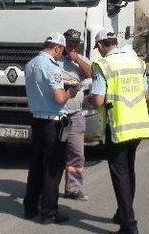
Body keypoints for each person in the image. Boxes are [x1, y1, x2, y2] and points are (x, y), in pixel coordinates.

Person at [90, 30, 149, 234]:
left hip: (117, 126)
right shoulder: (136, 61)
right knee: (129, 172)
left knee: (120, 175)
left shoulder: (103, 65)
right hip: (138, 124)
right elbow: (144, 91)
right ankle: (123, 214)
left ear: (100, 46)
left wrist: (88, 97)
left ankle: (129, 225)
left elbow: (98, 100)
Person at [23, 33, 79, 224]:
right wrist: (70, 92)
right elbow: (58, 99)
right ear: (57, 48)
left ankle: (30, 207)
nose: (60, 56)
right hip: (52, 122)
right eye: (61, 51)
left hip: (37, 120)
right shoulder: (52, 67)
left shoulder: (30, 64)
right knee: (53, 170)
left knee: (36, 166)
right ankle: (49, 213)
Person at [60, 29, 93, 201]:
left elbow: (92, 74)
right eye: (69, 43)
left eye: (75, 44)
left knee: (77, 153)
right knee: (53, 153)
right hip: (57, 115)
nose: (72, 46)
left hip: (75, 114)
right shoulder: (56, 60)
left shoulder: (80, 60)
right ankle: (47, 188)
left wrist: (78, 60)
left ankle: (73, 188)